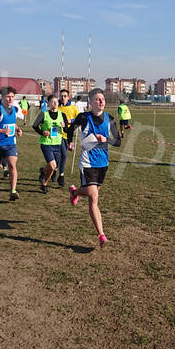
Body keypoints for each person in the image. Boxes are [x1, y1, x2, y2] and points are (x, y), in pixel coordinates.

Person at [66, 88, 121, 248]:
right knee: (93, 195)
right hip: (87, 161)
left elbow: (117, 141)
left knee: (92, 195)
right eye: (97, 99)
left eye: (102, 99)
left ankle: (75, 192)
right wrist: (69, 141)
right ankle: (102, 236)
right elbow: (69, 129)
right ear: (90, 102)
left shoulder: (109, 119)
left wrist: (107, 140)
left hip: (103, 163)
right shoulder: (83, 117)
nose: (101, 102)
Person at [0, 86, 24, 200]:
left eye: (12, 97)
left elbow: (12, 122)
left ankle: (13, 191)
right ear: (2, 97)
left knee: (12, 165)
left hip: (11, 143)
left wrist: (18, 129)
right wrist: (2, 131)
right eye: (8, 97)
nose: (10, 99)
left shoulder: (15, 109)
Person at [33, 94, 69, 194]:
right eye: (52, 101)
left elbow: (67, 130)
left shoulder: (62, 115)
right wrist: (42, 132)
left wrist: (65, 126)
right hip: (46, 143)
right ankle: (44, 184)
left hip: (57, 143)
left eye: (56, 101)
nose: (55, 103)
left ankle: (42, 171)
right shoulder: (44, 114)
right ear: (48, 103)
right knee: (53, 166)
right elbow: (35, 126)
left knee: (53, 166)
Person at [57, 89, 79, 187]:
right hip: (58, 134)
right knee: (64, 155)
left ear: (68, 97)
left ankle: (50, 170)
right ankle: (61, 176)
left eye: (65, 96)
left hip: (69, 135)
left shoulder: (73, 108)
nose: (63, 98)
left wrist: (72, 120)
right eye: (61, 96)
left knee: (59, 156)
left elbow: (79, 119)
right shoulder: (57, 107)